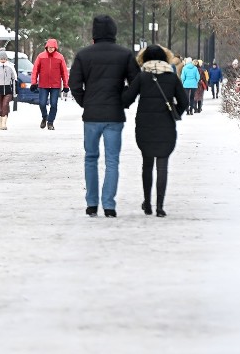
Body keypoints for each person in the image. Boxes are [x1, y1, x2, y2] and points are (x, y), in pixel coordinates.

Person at [68, 15, 139, 217]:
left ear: (94, 34)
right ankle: (109, 204)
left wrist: (85, 102)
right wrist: (124, 101)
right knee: (112, 160)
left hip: (91, 115)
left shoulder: (83, 55)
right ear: (114, 32)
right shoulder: (124, 54)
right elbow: (136, 83)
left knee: (90, 158)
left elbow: (74, 84)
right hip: (114, 115)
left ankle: (91, 203)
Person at [122, 45, 187, 218]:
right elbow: (184, 102)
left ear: (145, 59)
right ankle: (160, 206)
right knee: (162, 165)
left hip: (145, 125)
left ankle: (147, 203)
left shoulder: (142, 77)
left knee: (147, 164)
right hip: (166, 125)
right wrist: (175, 113)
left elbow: (126, 98)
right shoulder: (172, 78)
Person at [29, 38, 70, 130]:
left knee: (54, 104)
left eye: (52, 47)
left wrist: (66, 85)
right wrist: (34, 82)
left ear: (55, 48)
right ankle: (44, 117)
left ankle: (50, 122)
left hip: (55, 85)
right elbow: (35, 70)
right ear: (46, 47)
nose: (51, 49)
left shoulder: (60, 57)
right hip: (43, 84)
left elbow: (64, 72)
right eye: (49, 47)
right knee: (42, 103)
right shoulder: (41, 56)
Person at [0, 49, 17, 130]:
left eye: (4, 58)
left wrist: (14, 92)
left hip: (8, 89)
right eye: (1, 58)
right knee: (0, 106)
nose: (3, 60)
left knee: (5, 105)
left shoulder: (10, 67)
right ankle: (0, 121)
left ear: (6, 59)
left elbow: (14, 79)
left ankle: (4, 122)